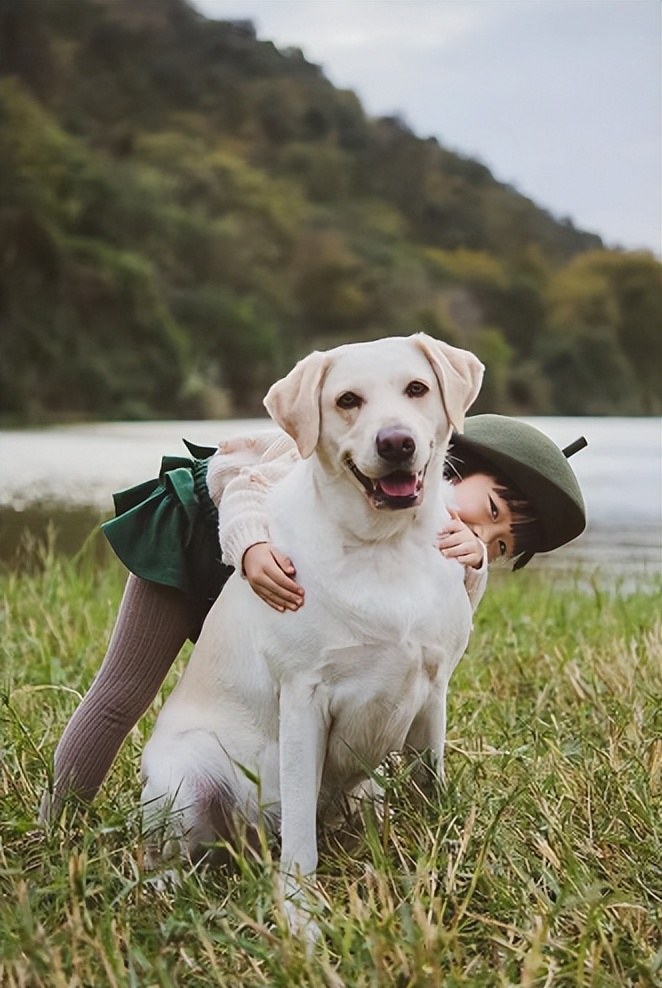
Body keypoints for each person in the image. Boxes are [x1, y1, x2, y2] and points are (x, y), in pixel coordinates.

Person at [39, 414, 586, 822]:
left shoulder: (428, 535)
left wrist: (472, 568)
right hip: (205, 542)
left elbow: (428, 648)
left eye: (501, 544)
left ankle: (264, 809)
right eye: (489, 512)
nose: (481, 535)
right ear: (454, 463)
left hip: (274, 604)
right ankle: (56, 823)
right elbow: (244, 481)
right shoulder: (354, 454)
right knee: (122, 695)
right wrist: (251, 548)